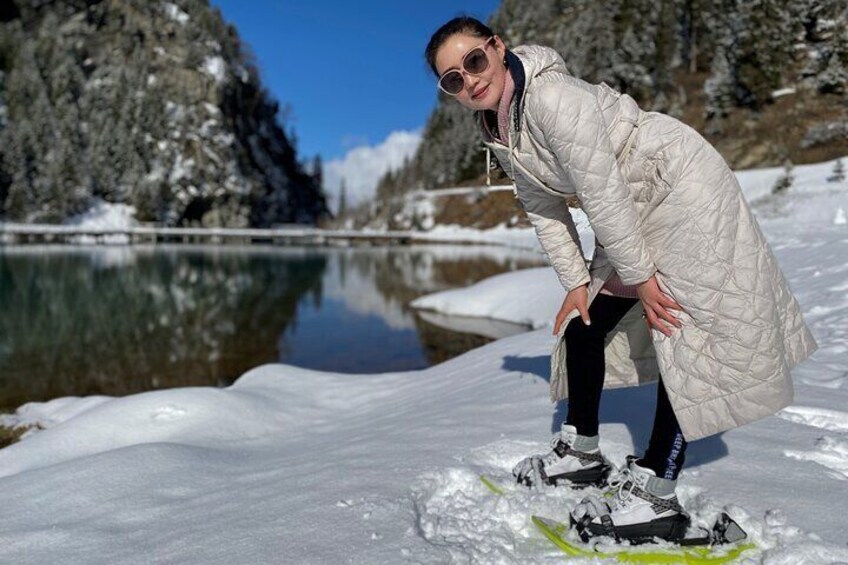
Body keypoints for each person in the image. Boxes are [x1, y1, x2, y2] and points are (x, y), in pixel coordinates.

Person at [425, 16, 818, 542]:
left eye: (474, 61)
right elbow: (544, 209)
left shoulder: (551, 99)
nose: (469, 80)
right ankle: (581, 454)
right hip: (632, 209)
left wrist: (643, 278)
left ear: (497, 48)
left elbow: (603, 190)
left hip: (676, 184)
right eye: (453, 79)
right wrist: (574, 283)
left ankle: (657, 494)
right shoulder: (500, 125)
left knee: (680, 329)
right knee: (584, 320)